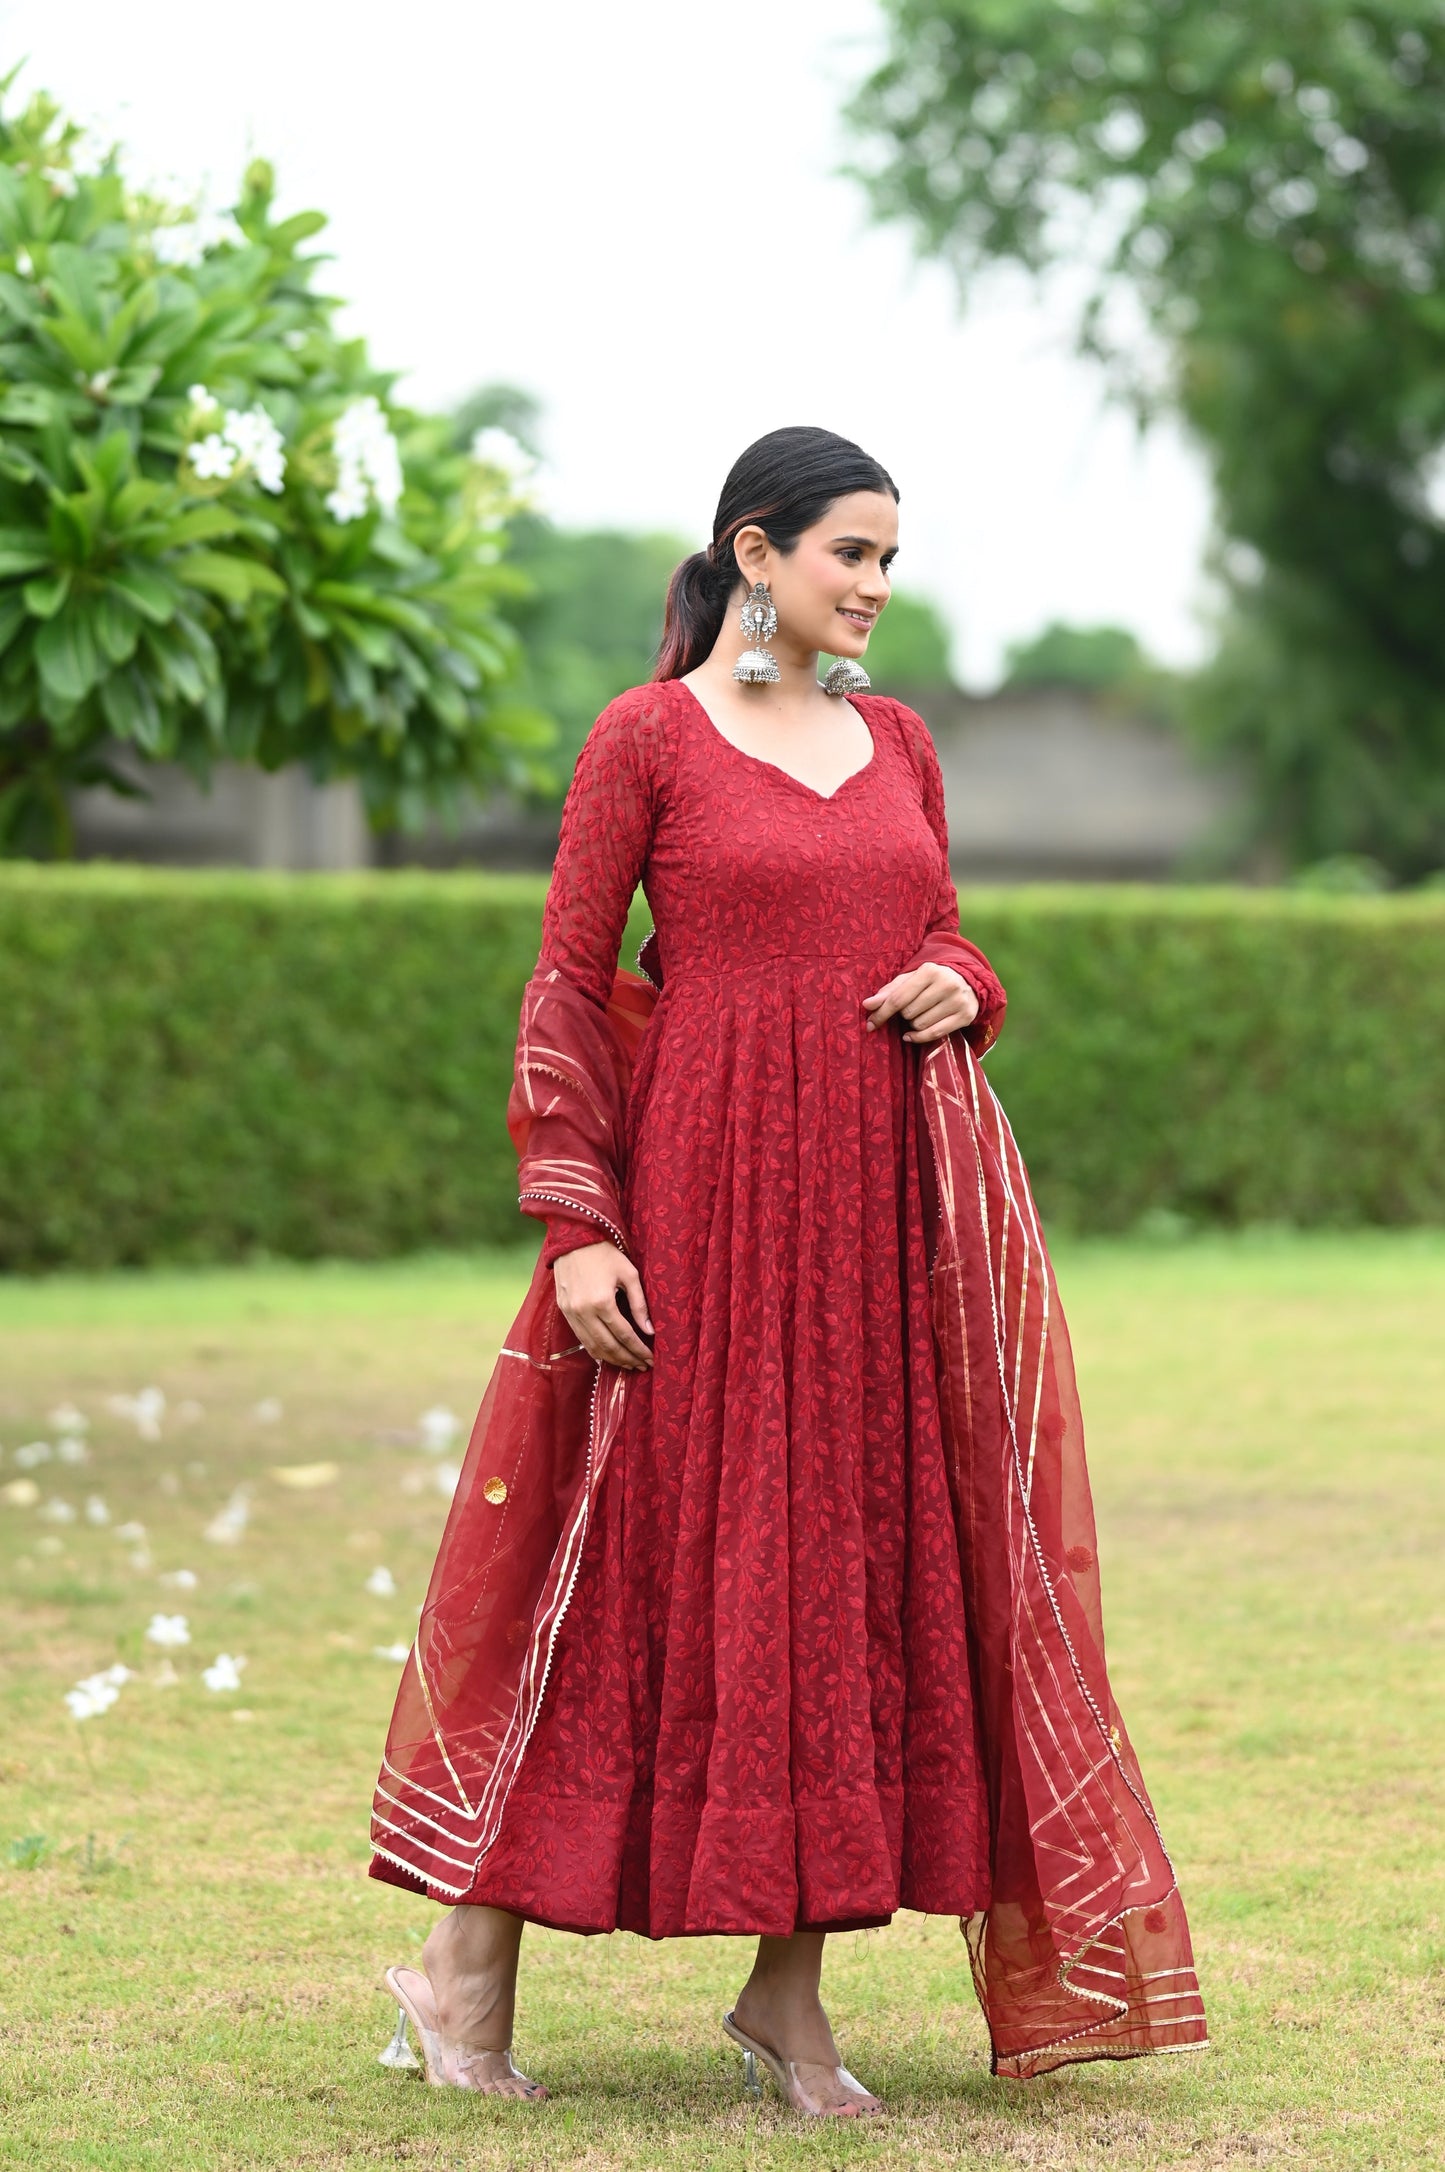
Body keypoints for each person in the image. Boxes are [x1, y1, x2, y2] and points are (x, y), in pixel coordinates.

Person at [368, 426, 1207, 2117]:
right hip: (696, 1210)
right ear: (757, 554)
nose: (879, 588)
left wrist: (963, 981)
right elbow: (563, 982)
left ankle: (788, 2000)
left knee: (842, 1580)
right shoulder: (646, 739)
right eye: (853, 556)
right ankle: (463, 1970)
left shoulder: (895, 741)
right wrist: (577, 1219)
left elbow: (940, 923)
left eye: (893, 559)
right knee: (621, 1568)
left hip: (879, 1232)